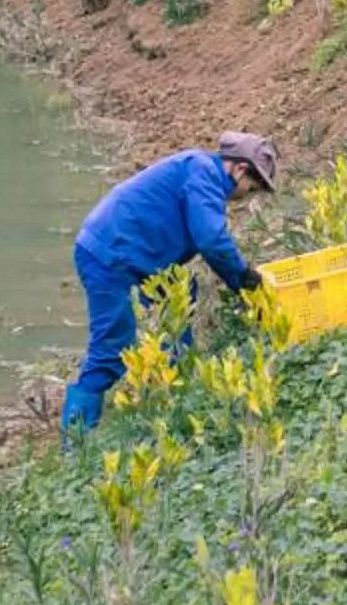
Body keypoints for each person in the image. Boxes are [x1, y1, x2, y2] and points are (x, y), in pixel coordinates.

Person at [61, 131, 277, 437]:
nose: (246, 195)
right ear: (240, 169)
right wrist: (244, 280)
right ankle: (76, 441)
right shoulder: (204, 173)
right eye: (251, 188)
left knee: (180, 298)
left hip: (141, 254)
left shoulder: (200, 171)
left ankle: (174, 392)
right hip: (108, 253)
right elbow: (211, 240)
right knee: (111, 345)